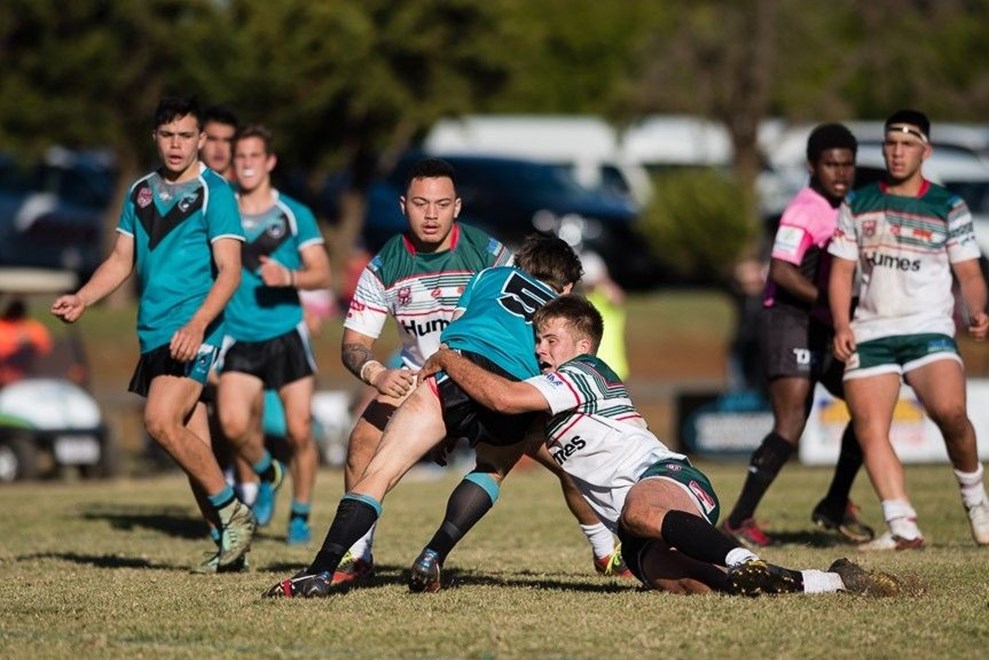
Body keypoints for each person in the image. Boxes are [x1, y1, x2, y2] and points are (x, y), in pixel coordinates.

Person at [414, 296, 900, 596]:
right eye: (538, 340)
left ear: (582, 345)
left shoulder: (583, 373)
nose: (540, 349)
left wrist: (448, 358)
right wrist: (454, 431)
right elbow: (507, 442)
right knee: (699, 587)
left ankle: (744, 558)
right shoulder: (545, 409)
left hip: (668, 481)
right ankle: (825, 581)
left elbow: (502, 397)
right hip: (635, 536)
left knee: (640, 511)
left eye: (550, 340)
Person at [335, 159, 626, 585]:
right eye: (420, 203)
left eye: (441, 204)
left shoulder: (490, 254)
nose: (431, 214)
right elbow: (353, 345)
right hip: (419, 378)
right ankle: (357, 556)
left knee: (569, 455)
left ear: (457, 206)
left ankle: (605, 551)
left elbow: (538, 312)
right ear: (402, 205)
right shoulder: (383, 267)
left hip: (500, 379)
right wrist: (378, 374)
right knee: (363, 440)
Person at [262, 234, 592, 598]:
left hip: (457, 370)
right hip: (512, 386)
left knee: (379, 473)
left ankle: (320, 571)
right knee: (490, 469)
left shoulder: (488, 276)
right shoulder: (564, 313)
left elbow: (451, 336)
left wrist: (445, 422)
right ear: (567, 286)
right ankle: (434, 553)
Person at [50, 95, 256, 572]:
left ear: (201, 139)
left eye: (185, 135)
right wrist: (83, 297)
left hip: (193, 328)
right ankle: (228, 547)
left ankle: (235, 513)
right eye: (167, 135)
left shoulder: (215, 192)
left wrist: (198, 324)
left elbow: (230, 272)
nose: (176, 144)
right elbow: (120, 260)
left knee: (160, 422)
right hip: (154, 330)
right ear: (155, 138)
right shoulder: (140, 191)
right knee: (192, 443)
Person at [829, 109, 989, 551]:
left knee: (951, 414)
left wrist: (976, 309)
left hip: (928, 327)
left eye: (907, 144)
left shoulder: (948, 206)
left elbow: (969, 272)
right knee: (869, 428)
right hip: (871, 330)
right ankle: (902, 526)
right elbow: (841, 272)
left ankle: (976, 500)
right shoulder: (857, 203)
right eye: (891, 144)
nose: (897, 152)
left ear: (925, 151)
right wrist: (841, 324)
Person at [721, 123, 875, 548]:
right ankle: (738, 519)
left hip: (825, 324)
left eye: (847, 164)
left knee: (870, 406)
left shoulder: (848, 207)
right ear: (812, 166)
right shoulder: (804, 210)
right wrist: (832, 303)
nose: (840, 173)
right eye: (830, 164)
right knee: (790, 423)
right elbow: (782, 270)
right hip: (789, 322)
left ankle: (835, 502)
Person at [216, 124, 329, 545]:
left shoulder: (293, 213)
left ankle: (300, 514)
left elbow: (322, 273)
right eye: (240, 157)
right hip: (239, 334)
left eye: (254, 156)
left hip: (285, 333)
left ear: (269, 162)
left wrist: (289, 276)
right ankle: (268, 472)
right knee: (231, 425)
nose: (246, 164)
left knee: (299, 430)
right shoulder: (221, 209)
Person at [0, 297, 53, 386]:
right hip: (5, 368)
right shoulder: (2, 325)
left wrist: (26, 343)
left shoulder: (32, 327)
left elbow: (45, 349)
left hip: (28, 371)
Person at [201, 105, 239, 183]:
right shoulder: (182, 184)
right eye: (212, 139)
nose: (219, 148)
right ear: (200, 140)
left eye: (227, 140)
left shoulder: (248, 185)